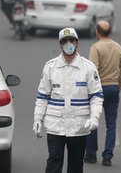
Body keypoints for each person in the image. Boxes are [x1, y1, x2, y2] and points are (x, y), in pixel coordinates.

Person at [33, 27, 104, 173]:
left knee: (76, 165)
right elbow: (42, 97)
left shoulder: (88, 68)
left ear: (77, 43)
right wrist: (38, 120)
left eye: (71, 40)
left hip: (78, 127)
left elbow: (96, 96)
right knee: (54, 161)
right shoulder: (50, 67)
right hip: (55, 125)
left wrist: (94, 118)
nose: (68, 43)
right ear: (60, 44)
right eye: (64, 41)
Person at [84, 21, 121, 167]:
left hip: (98, 89)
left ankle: (90, 154)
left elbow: (93, 70)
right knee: (111, 124)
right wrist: (119, 85)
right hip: (113, 88)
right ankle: (107, 156)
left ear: (97, 32)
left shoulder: (95, 48)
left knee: (93, 121)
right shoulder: (118, 47)